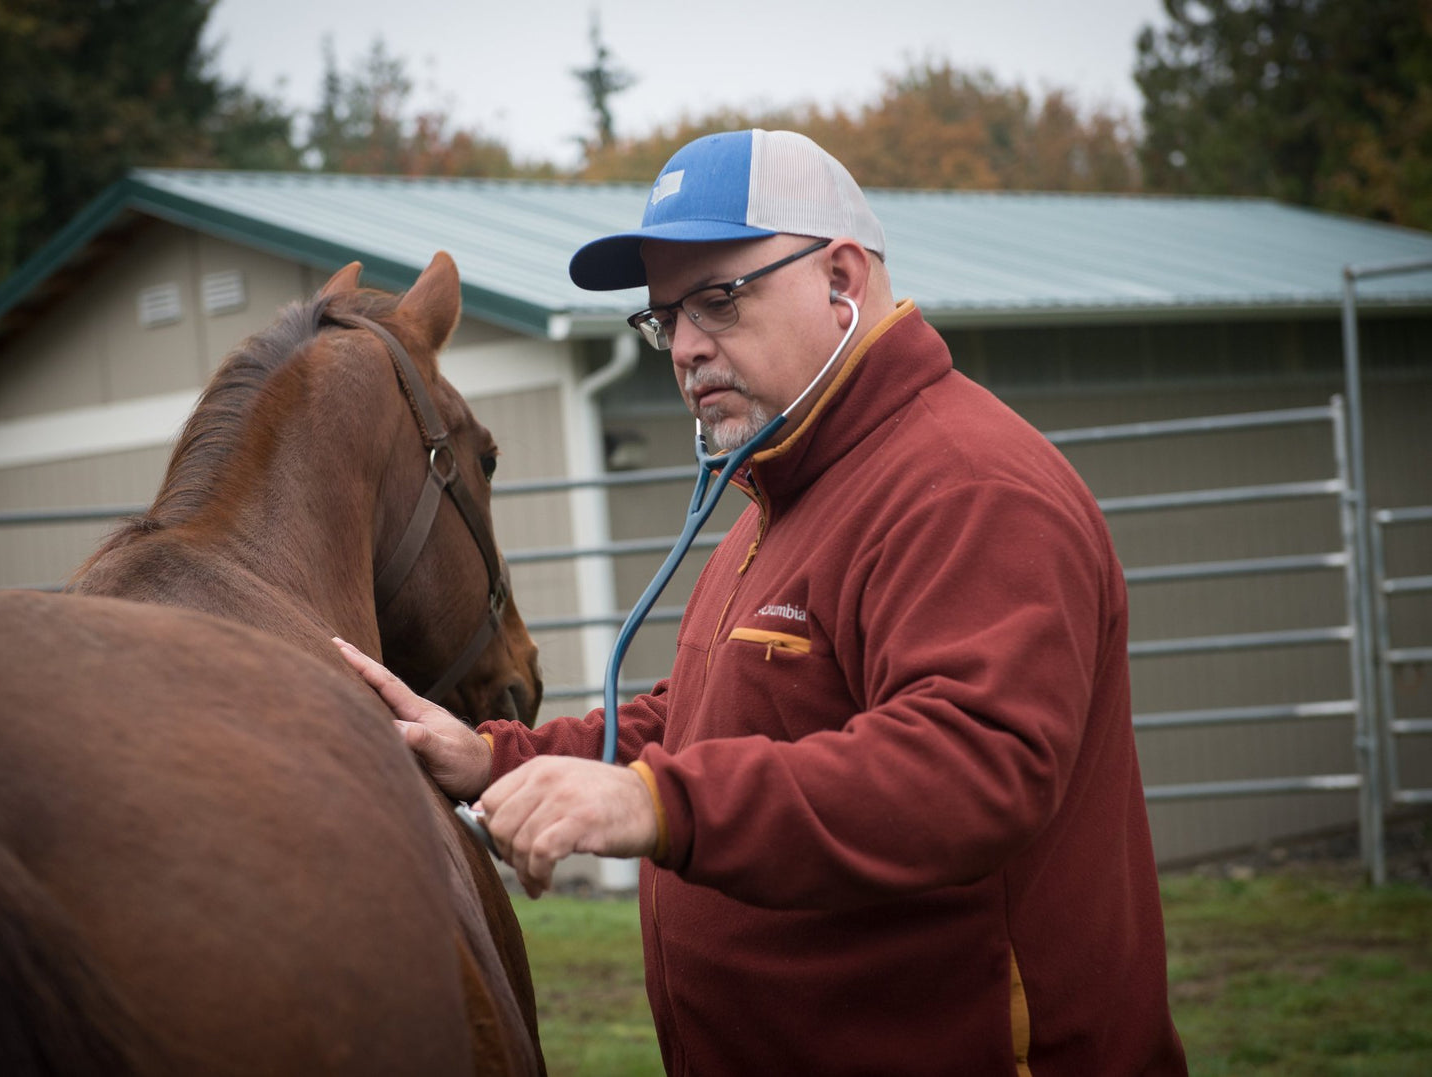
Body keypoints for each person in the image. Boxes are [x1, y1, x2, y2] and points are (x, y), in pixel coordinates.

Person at [338, 128, 1187, 1076]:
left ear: (841, 279)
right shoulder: (787, 490)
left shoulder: (965, 485)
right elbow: (706, 718)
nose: (688, 347)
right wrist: (497, 755)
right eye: (666, 318)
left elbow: (971, 766)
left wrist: (656, 805)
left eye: (718, 300)